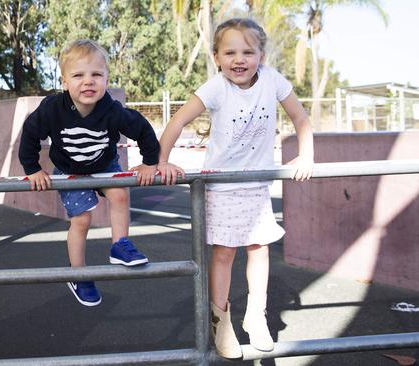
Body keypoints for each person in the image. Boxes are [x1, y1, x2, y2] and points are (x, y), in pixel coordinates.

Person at [157, 18, 314, 358]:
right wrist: (163, 161)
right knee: (225, 253)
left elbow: (301, 119)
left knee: (259, 249)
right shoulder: (216, 88)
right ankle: (220, 320)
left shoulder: (272, 81)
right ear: (216, 57)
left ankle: (256, 316)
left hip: (256, 185)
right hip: (223, 186)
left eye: (248, 51)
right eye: (229, 52)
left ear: (261, 55)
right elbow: (177, 121)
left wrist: (306, 156)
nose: (239, 59)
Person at [18, 39, 160, 307]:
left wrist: (150, 162)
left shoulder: (111, 109)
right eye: (78, 75)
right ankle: (78, 274)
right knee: (81, 219)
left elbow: (141, 127)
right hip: (69, 170)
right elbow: (30, 133)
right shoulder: (52, 108)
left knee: (119, 193)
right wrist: (33, 169)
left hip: (104, 164)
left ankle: (120, 245)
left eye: (96, 75)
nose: (88, 82)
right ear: (64, 81)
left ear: (106, 79)